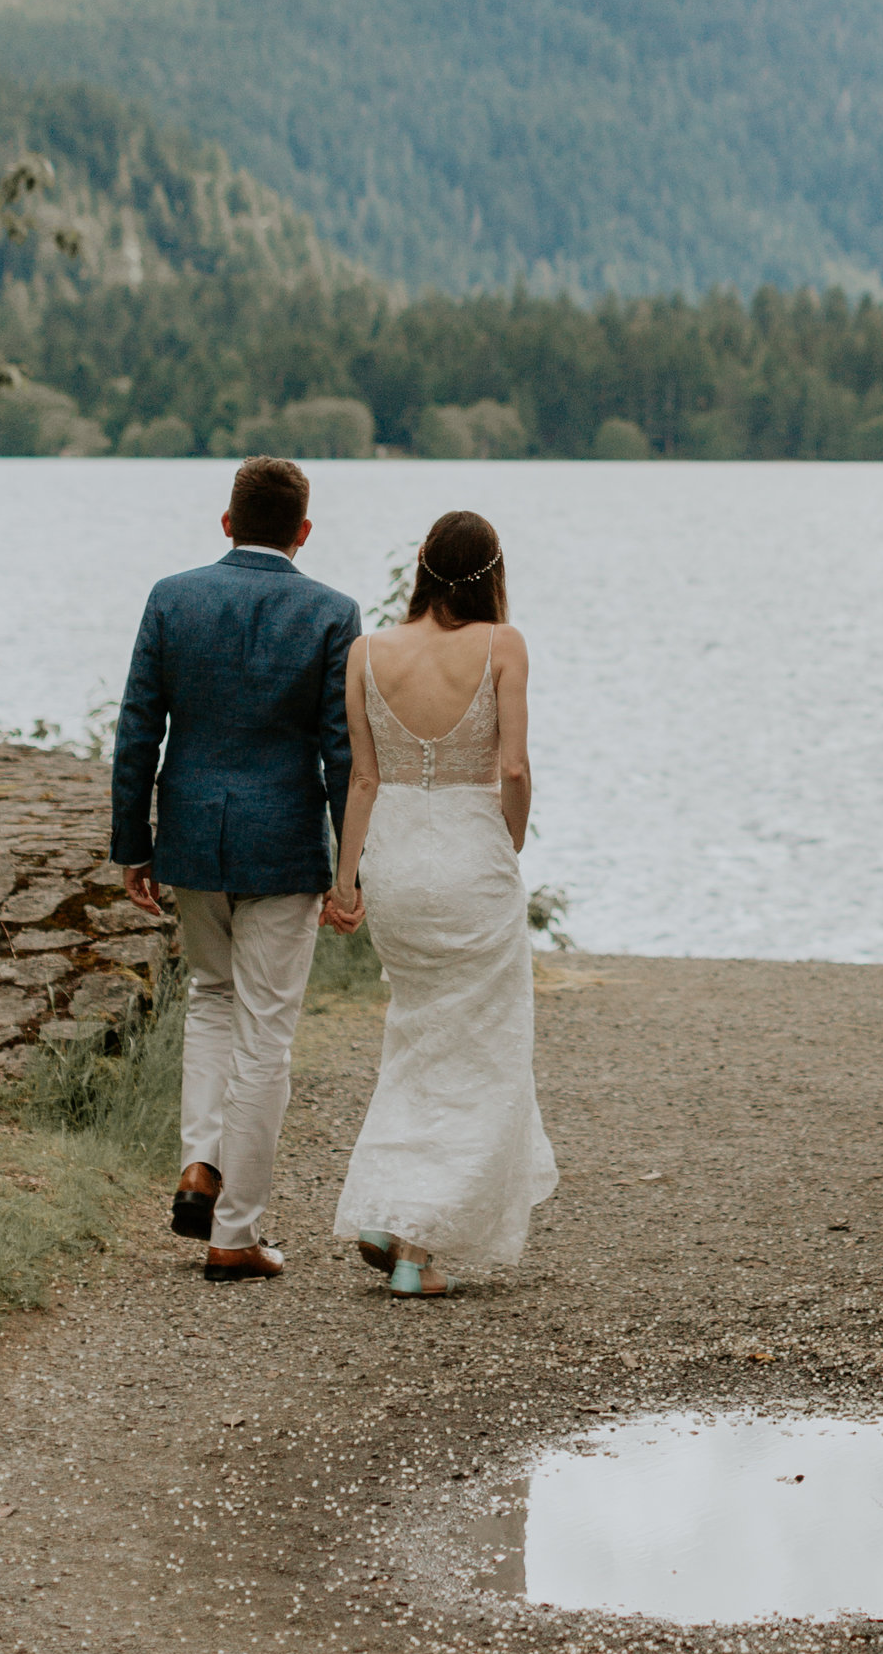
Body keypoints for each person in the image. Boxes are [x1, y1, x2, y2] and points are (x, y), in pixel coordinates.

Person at [111, 455, 359, 1284]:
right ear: (304, 530)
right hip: (282, 846)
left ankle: (199, 1166)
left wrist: (132, 845)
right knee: (267, 1033)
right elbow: (341, 754)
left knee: (211, 1002)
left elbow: (137, 731)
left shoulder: (173, 597)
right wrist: (349, 865)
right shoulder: (332, 613)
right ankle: (235, 1232)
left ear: (227, 522)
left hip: (191, 839)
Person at [323, 507, 557, 1298]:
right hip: (471, 856)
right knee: (483, 1049)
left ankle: (390, 1214)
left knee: (416, 1039)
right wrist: (509, 841)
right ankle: (418, 1245)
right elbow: (515, 770)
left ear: (422, 562)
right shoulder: (503, 645)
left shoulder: (365, 652)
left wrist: (344, 880)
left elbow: (361, 778)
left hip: (395, 861)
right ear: (494, 572)